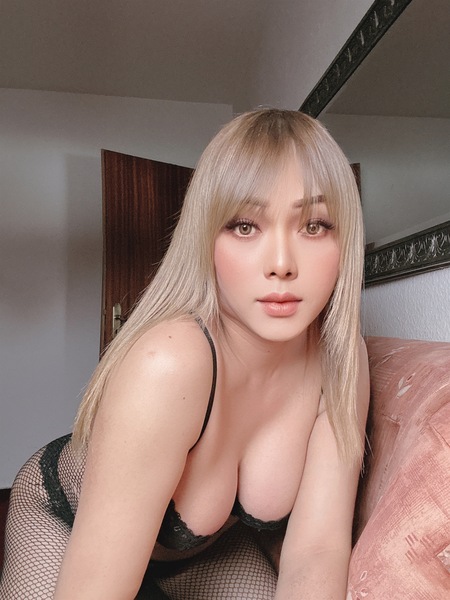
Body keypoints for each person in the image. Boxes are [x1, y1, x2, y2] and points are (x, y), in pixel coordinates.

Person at [0, 108, 369, 599]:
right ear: (206, 237)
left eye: (315, 225)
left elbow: (317, 550)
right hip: (63, 523)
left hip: (202, 553)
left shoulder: (341, 357)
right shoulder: (169, 363)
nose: (282, 264)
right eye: (245, 226)